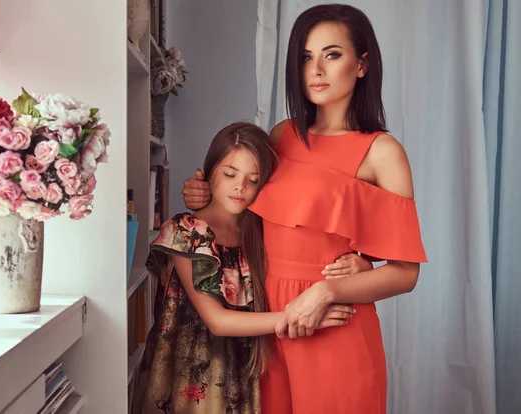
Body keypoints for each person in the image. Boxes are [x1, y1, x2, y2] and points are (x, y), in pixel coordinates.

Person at [181, 4, 427, 414]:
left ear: (362, 64)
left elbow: (406, 273)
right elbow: (249, 211)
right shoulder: (282, 135)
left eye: (332, 55)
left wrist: (329, 289)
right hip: (270, 325)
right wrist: (205, 197)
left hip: (333, 323)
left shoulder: (383, 152)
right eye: (306, 57)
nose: (316, 70)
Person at [132, 122, 373, 414]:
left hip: (249, 370)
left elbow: (310, 254)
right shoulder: (186, 232)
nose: (239, 187)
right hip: (194, 374)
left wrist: (360, 262)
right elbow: (218, 321)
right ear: (209, 172)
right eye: (230, 174)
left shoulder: (261, 232)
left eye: (253, 180)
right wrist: (302, 318)